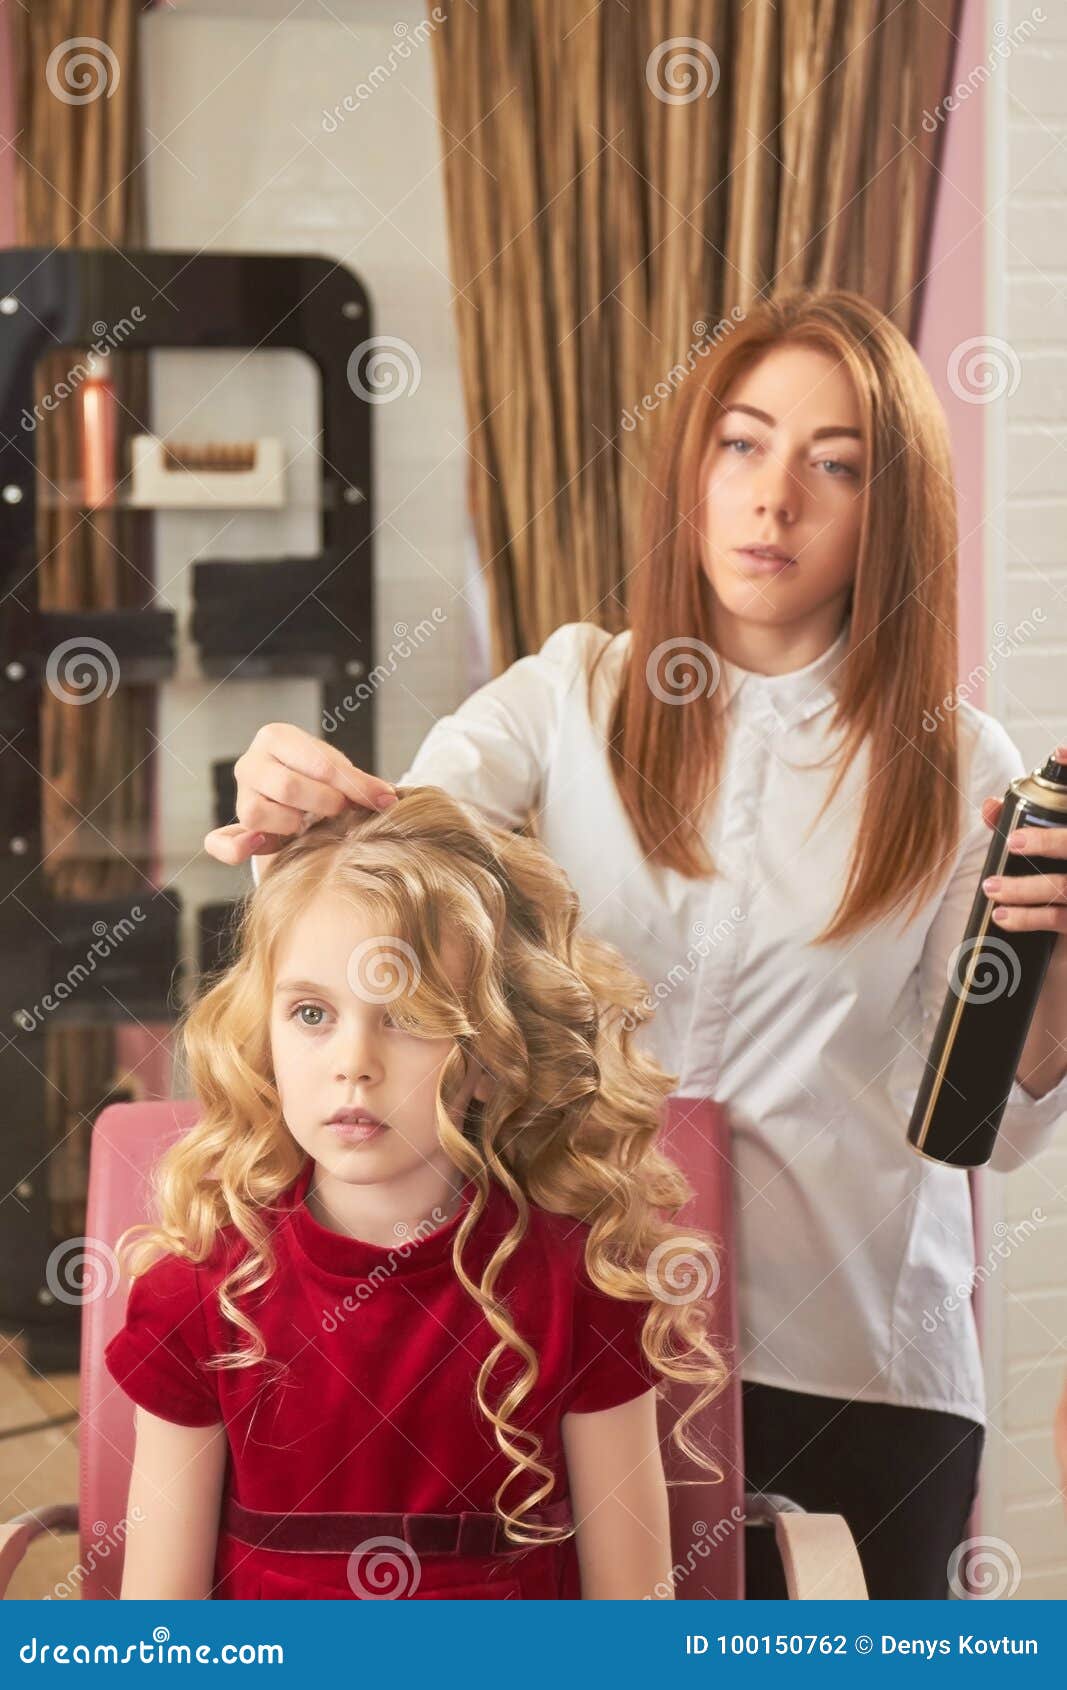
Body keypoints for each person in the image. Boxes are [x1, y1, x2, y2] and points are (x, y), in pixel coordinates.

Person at [207, 289, 1067, 1599]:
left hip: (847, 1366)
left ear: (888, 513)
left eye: (832, 465)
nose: (773, 497)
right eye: (740, 443)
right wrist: (296, 811)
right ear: (692, 467)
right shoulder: (563, 701)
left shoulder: (958, 770)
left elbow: (985, 1129)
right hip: (565, 1337)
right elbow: (391, 897)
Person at [105, 787, 727, 1600]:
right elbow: (160, 1628)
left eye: (405, 1016)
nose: (353, 1062)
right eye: (310, 1013)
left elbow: (633, 1622)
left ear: (485, 1056)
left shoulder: (582, 1288)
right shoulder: (197, 1294)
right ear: (263, 1036)